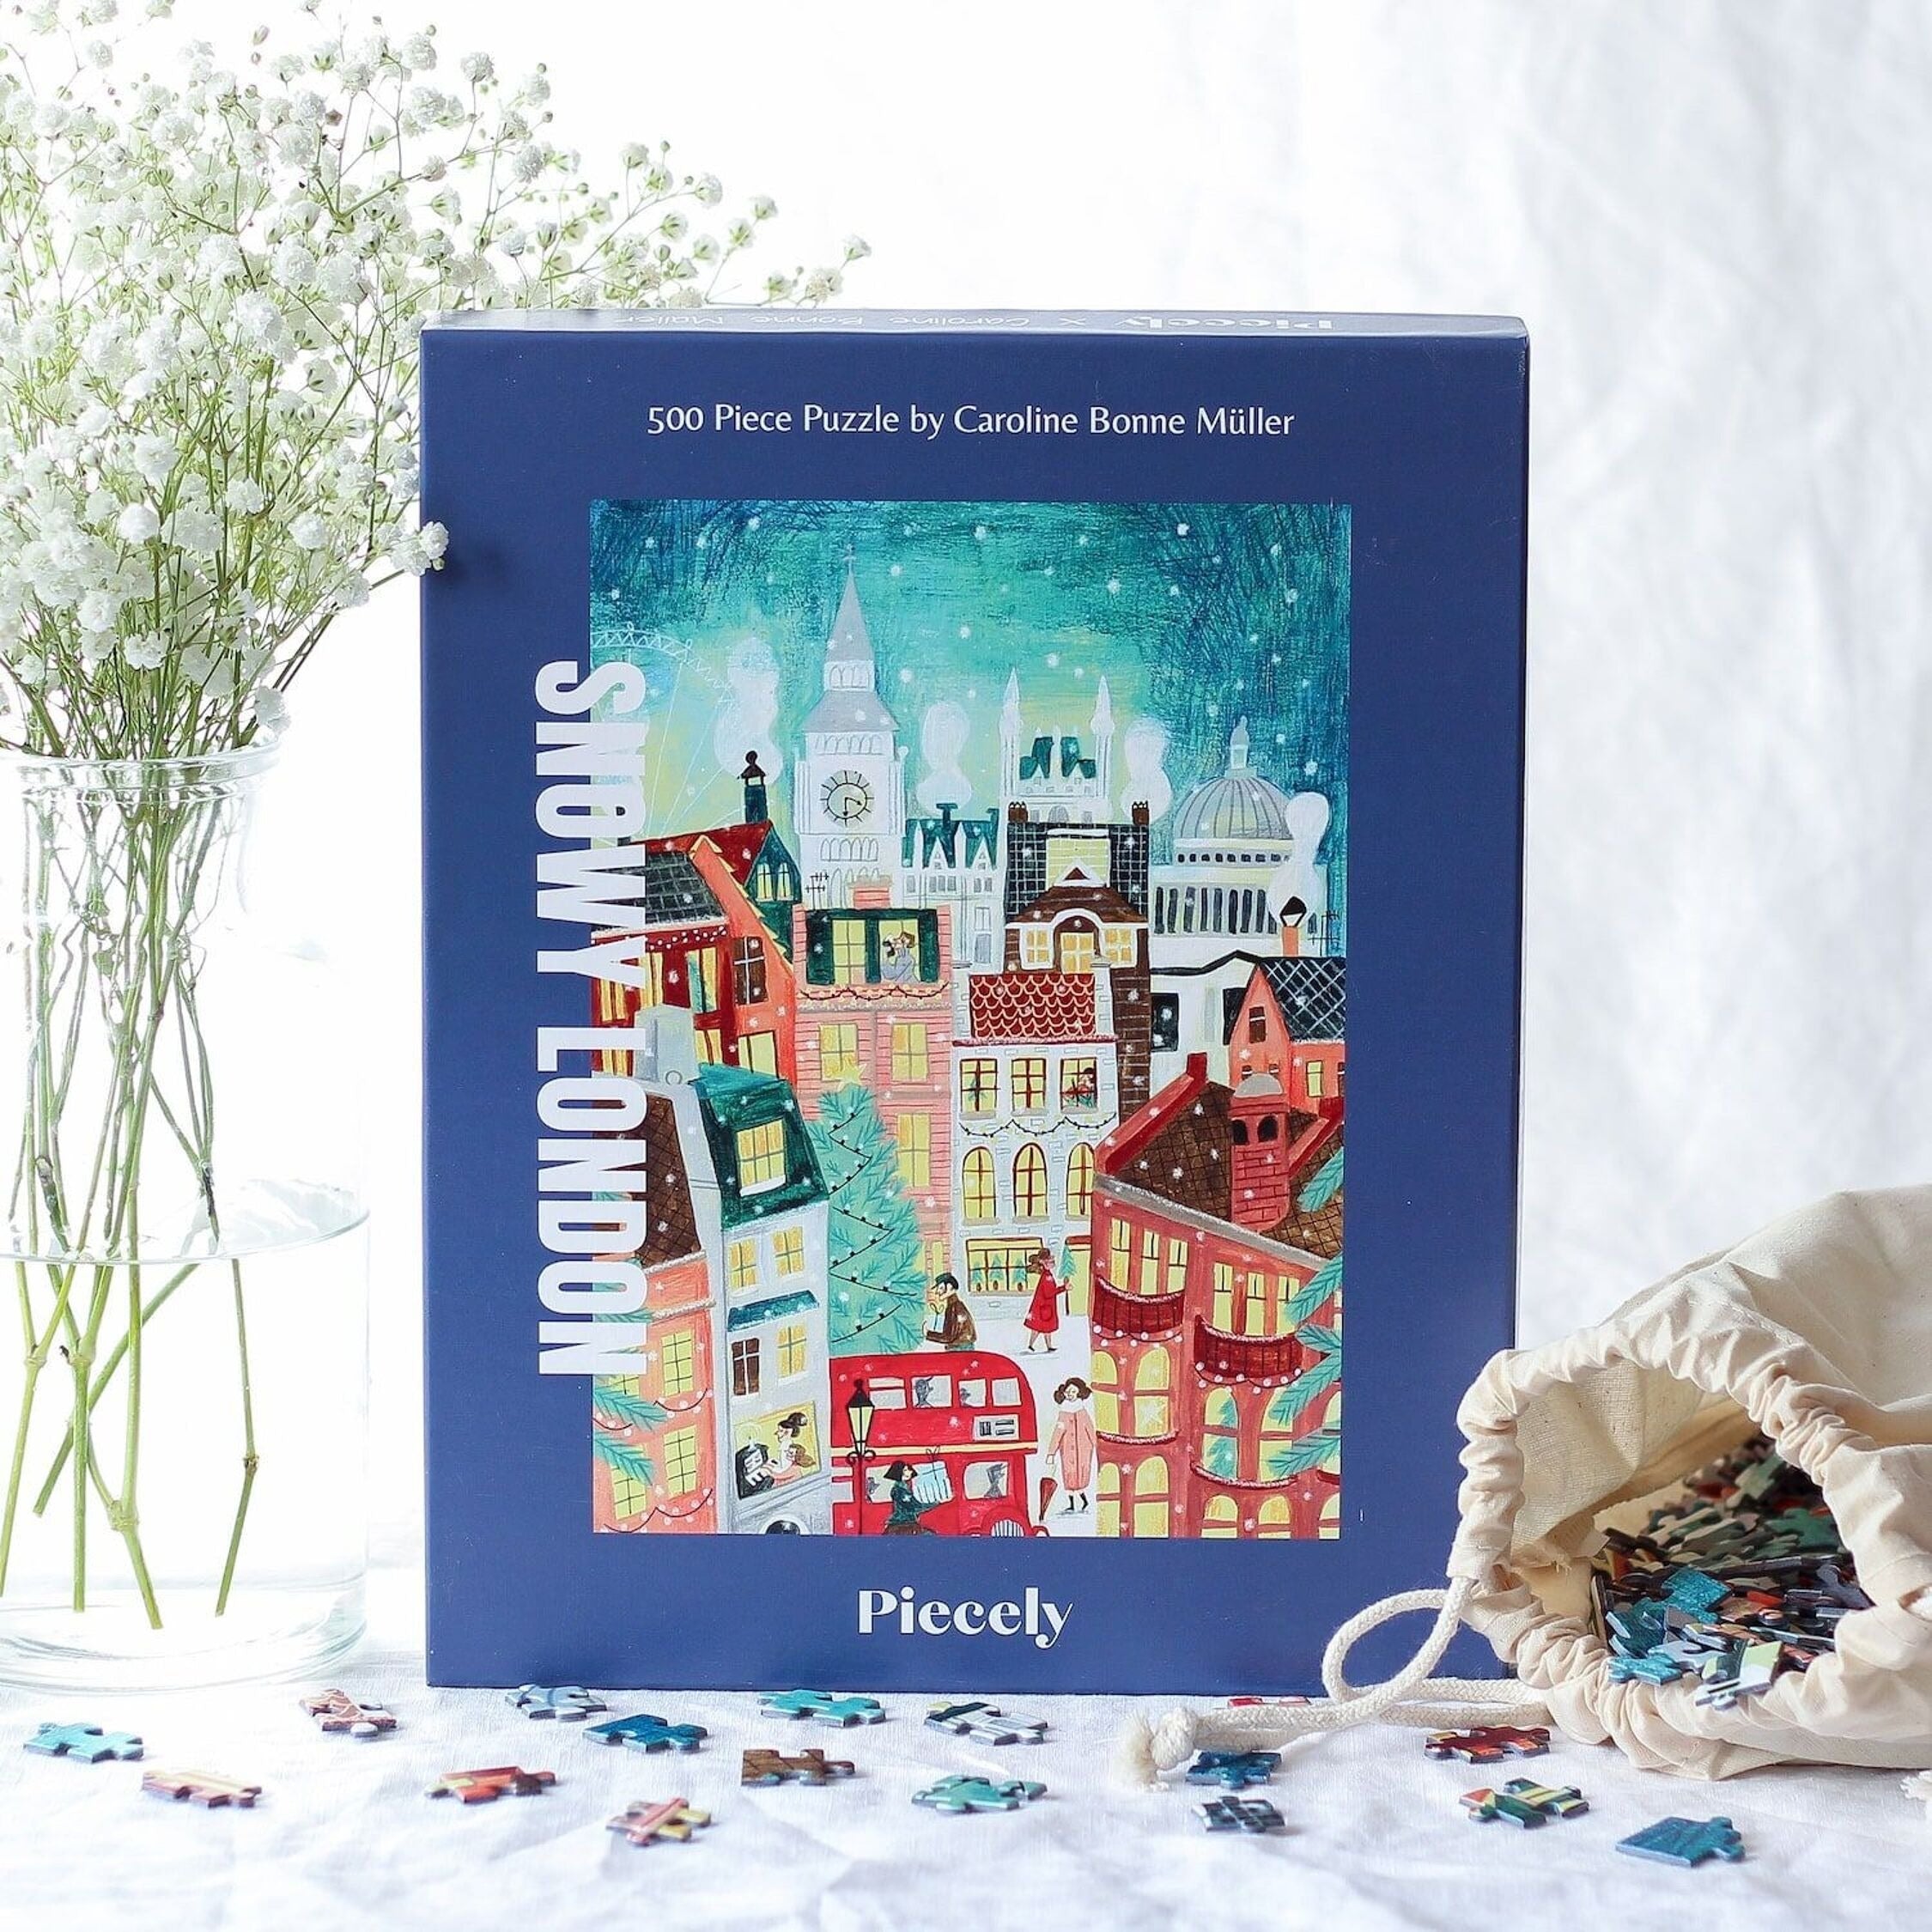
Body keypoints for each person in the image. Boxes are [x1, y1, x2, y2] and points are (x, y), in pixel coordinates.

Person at [1044, 1377, 1097, 1513]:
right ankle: (1072, 1504)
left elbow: (1090, 1429)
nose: (1070, 1394)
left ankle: (1085, 1501)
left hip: (1084, 1449)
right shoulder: (1063, 1413)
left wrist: (1097, 1446)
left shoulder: (1082, 1412)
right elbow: (1058, 1432)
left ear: (1079, 1393)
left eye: (1073, 1391)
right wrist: (1051, 1452)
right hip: (1067, 1449)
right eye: (1068, 1392)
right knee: (1069, 1475)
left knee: (1082, 1475)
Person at [1023, 1246, 1064, 1352]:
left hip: (1043, 1306)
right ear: (1045, 1263)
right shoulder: (1047, 1277)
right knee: (1042, 1328)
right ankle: (1034, 1345)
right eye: (1051, 1262)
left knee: (1042, 1328)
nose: (1053, 1264)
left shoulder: (1047, 1275)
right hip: (1045, 1306)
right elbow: (1049, 1293)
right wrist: (1064, 1288)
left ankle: (1042, 1345)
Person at [879, 1460, 934, 1534]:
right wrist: (934, 1503)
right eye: (905, 1470)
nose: (910, 1472)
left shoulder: (903, 1488)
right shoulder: (900, 1490)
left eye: (909, 1470)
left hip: (905, 1524)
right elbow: (914, 1506)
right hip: (903, 1524)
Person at [925, 1272, 977, 1351]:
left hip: (959, 1350)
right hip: (962, 1348)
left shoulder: (955, 1308)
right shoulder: (955, 1306)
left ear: (950, 1287)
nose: (937, 1292)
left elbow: (948, 1337)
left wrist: (928, 1334)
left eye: (941, 1288)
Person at [769, 1412, 815, 1484]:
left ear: (787, 1432)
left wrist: (768, 1469)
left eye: (780, 1431)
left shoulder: (787, 1447)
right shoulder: (786, 1445)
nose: (777, 1433)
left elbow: (783, 1469)